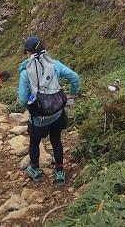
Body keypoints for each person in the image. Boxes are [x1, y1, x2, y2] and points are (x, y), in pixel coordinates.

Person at [18, 36, 80, 183]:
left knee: (34, 142)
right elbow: (74, 77)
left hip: (39, 118)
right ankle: (59, 172)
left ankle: (35, 170)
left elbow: (22, 98)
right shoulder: (55, 65)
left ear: (28, 52)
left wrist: (31, 105)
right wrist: (71, 96)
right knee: (56, 140)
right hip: (57, 113)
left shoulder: (26, 72)